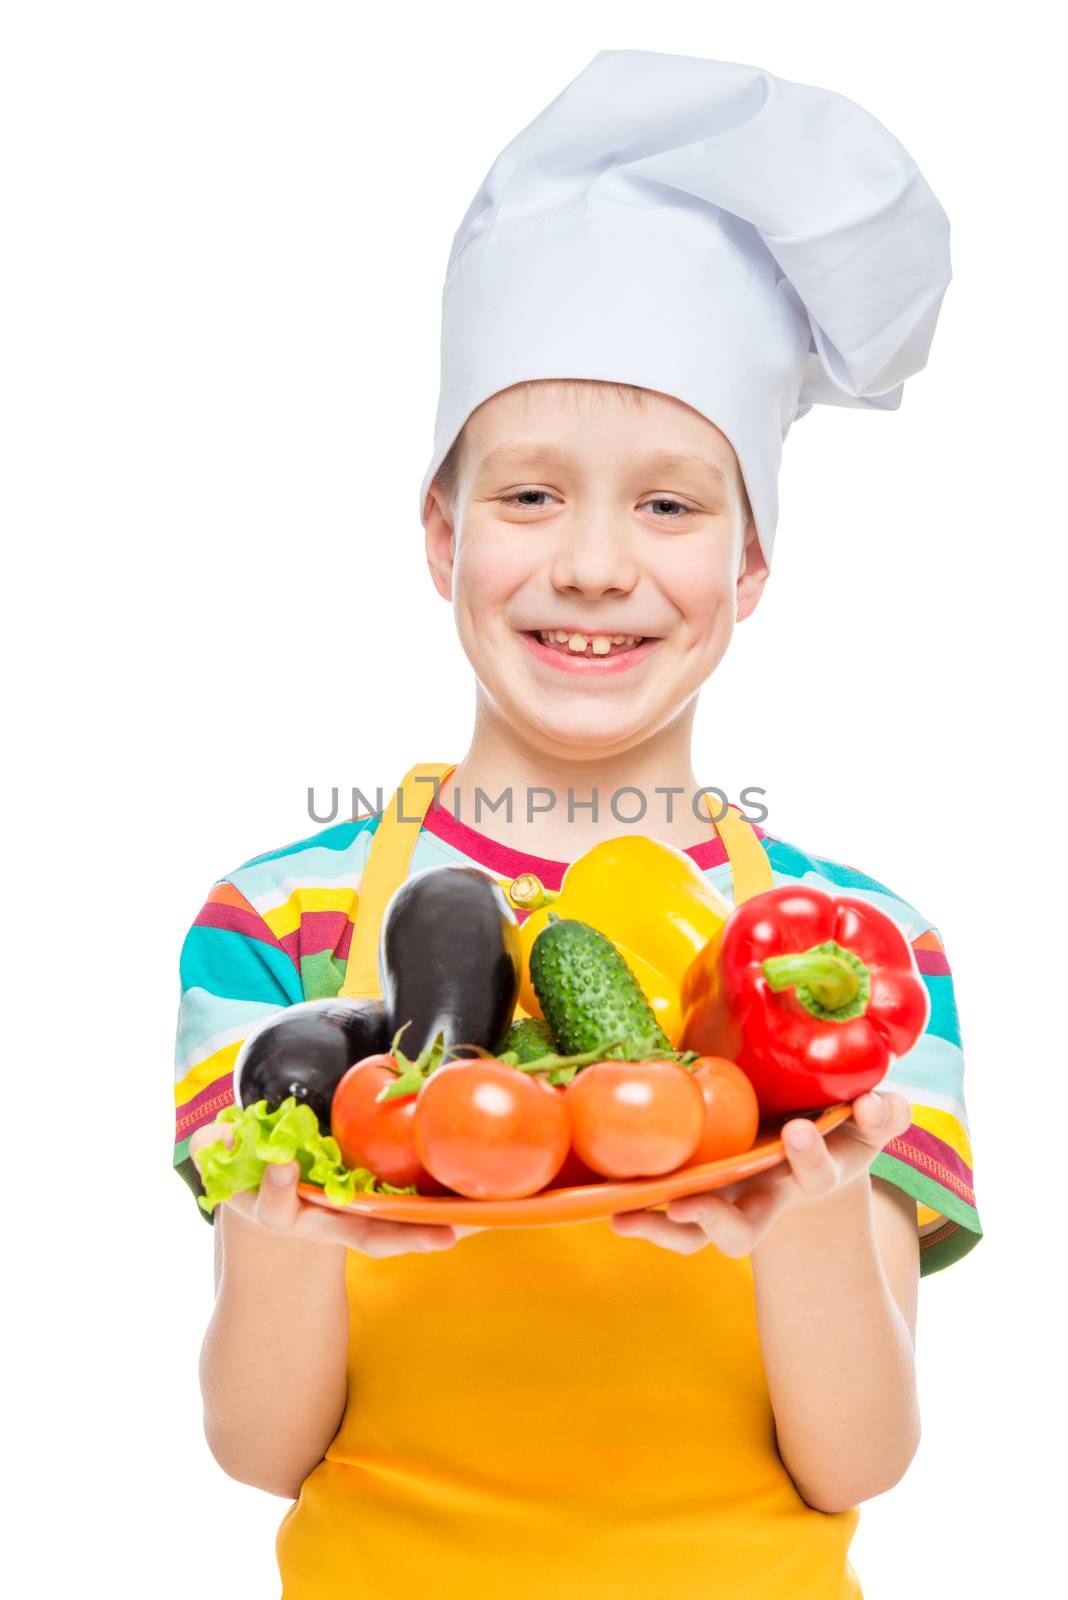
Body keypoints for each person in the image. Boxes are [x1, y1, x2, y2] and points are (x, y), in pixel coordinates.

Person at [175, 49, 981, 1599]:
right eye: (531, 495)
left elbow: (862, 1459)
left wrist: (802, 1223)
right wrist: (291, 1227)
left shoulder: (859, 959)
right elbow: (260, 1446)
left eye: (673, 506)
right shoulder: (274, 923)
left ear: (750, 570)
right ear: (441, 532)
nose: (599, 566)